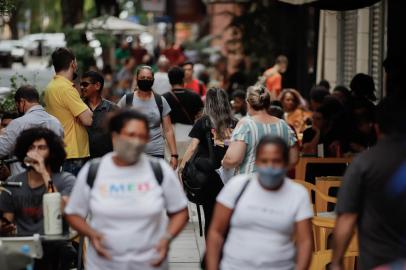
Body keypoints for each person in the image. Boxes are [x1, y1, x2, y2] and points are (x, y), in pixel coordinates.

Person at [65, 109, 188, 270]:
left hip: (150, 263)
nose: (136, 141)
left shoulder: (159, 171)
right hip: (104, 263)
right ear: (115, 136)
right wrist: (91, 233)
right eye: (130, 135)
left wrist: (166, 238)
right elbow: (73, 213)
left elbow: (180, 211)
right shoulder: (93, 171)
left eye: (142, 136)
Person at [206, 136, 313, 270]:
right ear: (256, 161)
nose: (270, 166)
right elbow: (216, 232)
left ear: (286, 163)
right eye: (264, 161)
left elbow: (305, 242)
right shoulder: (237, 186)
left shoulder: (298, 194)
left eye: (276, 161)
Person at [331, 93, 406, 270]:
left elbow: (347, 218)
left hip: (379, 263)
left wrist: (336, 262)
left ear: (377, 128)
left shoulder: (364, 163)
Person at [0, 127, 76, 270]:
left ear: (52, 152)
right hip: (24, 247)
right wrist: (4, 227)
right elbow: (7, 219)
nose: (36, 152)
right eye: (32, 148)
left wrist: (44, 173)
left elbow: (62, 209)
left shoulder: (65, 180)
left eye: (41, 148)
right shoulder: (14, 182)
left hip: (54, 245)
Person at [180, 87, 237, 235]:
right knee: (229, 214)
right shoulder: (235, 123)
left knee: (210, 215)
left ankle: (211, 252)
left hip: (208, 175)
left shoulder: (203, 122)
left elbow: (192, 147)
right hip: (229, 174)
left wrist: (181, 167)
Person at [222, 85, 298, 175]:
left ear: (248, 103)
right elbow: (293, 159)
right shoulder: (283, 125)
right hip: (276, 183)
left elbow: (234, 159)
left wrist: (223, 162)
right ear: (268, 103)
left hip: (250, 183)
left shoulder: (245, 124)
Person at [117, 66, 178, 168]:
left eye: (148, 78)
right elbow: (116, 123)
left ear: (153, 80)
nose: (145, 80)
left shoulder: (160, 101)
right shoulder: (127, 100)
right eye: (143, 78)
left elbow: (168, 130)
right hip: (132, 151)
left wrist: (174, 155)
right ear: (137, 79)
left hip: (156, 151)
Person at [44, 48, 93, 176]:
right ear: (73, 64)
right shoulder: (66, 89)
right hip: (73, 153)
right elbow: (88, 119)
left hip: (61, 148)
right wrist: (85, 111)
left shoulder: (50, 87)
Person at [0, 85, 63, 176]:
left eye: (17, 105)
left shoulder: (18, 123)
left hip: (24, 183)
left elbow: (1, 149)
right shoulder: (56, 122)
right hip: (50, 179)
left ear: (22, 102)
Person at [163, 66, 203, 158]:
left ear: (169, 80)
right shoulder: (195, 96)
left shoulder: (163, 98)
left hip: (170, 135)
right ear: (183, 79)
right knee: (186, 164)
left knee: (171, 164)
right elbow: (200, 115)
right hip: (189, 134)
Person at [81, 71, 118, 158]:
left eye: (85, 84)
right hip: (83, 161)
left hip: (107, 160)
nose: (82, 87)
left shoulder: (113, 109)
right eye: (81, 84)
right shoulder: (78, 109)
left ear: (97, 85)